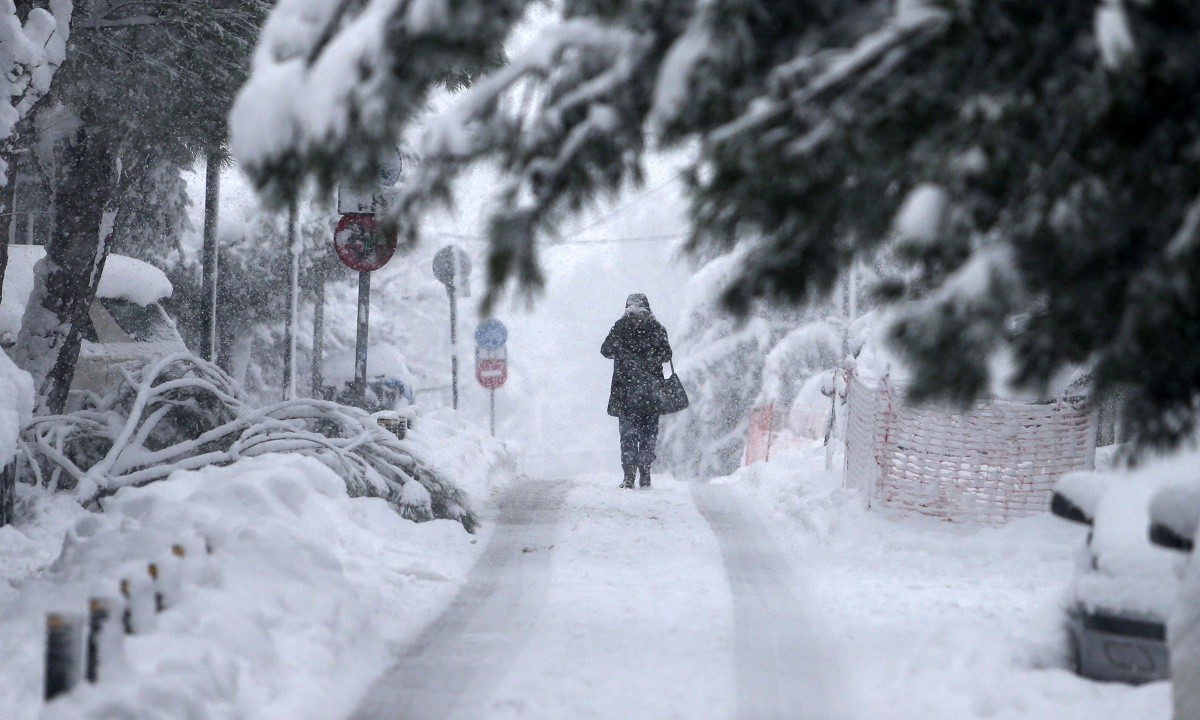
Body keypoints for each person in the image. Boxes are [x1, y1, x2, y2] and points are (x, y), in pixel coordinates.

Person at [601, 293, 672, 489]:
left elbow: (606, 350)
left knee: (628, 435)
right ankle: (645, 470)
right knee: (649, 433)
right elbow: (666, 354)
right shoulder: (657, 328)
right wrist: (649, 357)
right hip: (650, 392)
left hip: (626, 392)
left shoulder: (621, 327)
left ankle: (629, 475)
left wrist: (624, 354)